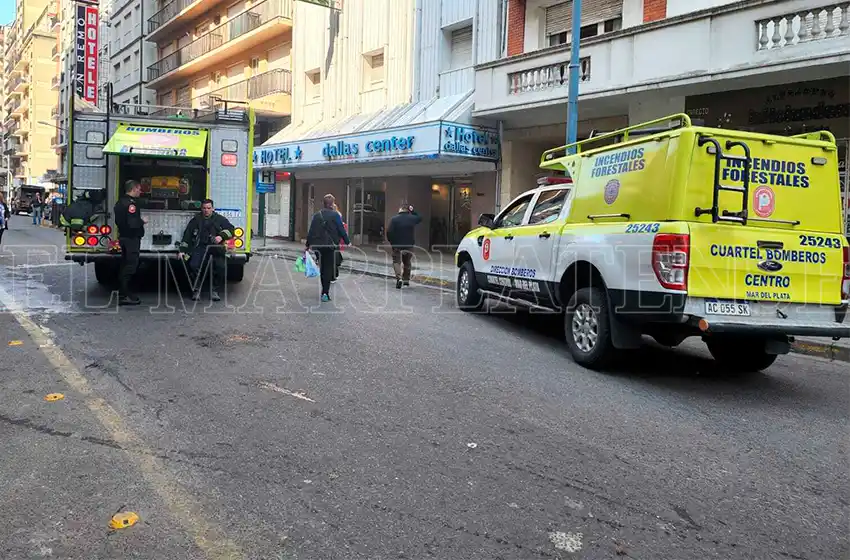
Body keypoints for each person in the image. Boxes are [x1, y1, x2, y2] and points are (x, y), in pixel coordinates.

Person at [177, 198, 235, 302]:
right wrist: (182, 250)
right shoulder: (196, 220)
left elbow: (231, 230)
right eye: (204, 208)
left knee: (220, 266)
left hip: (216, 248)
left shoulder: (220, 219)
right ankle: (196, 290)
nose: (206, 210)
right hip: (200, 247)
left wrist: (221, 236)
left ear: (213, 208)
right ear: (201, 209)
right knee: (193, 266)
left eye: (208, 208)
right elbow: (187, 235)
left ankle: (214, 290)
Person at [306, 194, 350, 302]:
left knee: (323, 268)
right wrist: (347, 241)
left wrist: (307, 244)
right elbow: (341, 229)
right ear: (332, 204)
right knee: (328, 268)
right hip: (331, 246)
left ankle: (324, 290)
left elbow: (311, 231)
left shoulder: (317, 215)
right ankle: (325, 293)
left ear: (324, 203)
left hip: (318, 246)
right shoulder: (335, 215)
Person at [114, 180, 148, 306]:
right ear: (133, 189)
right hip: (131, 239)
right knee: (130, 266)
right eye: (139, 189)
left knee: (125, 265)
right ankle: (124, 295)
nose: (140, 191)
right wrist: (142, 221)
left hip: (123, 237)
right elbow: (132, 223)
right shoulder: (131, 205)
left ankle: (123, 293)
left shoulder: (120, 202)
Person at [386, 204, 421, 289]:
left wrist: (392, 242)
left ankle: (399, 278)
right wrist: (413, 211)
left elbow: (389, 232)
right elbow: (420, 218)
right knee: (407, 262)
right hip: (409, 244)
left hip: (397, 244)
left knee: (396, 261)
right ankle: (406, 280)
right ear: (408, 210)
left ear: (400, 209)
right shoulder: (412, 218)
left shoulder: (394, 219)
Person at [332, 203, 347, 282]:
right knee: (334, 257)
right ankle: (334, 274)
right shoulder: (337, 215)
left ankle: (334, 274)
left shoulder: (336, 215)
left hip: (333, 240)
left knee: (333, 257)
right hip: (335, 240)